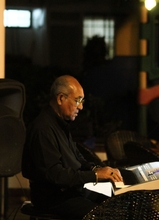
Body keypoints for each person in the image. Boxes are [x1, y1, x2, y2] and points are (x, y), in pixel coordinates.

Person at [22, 75, 123, 219]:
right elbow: (56, 175)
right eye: (77, 101)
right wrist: (95, 176)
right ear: (61, 98)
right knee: (106, 215)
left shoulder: (60, 123)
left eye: (82, 101)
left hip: (71, 192)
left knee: (118, 204)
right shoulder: (43, 129)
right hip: (54, 200)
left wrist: (95, 169)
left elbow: (76, 156)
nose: (81, 107)